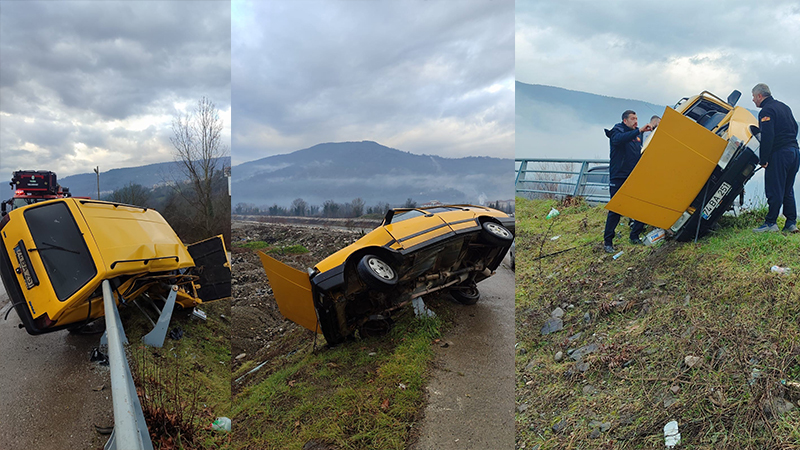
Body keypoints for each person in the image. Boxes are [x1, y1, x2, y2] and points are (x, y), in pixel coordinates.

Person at [751, 83, 800, 233]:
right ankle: (791, 223)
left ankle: (770, 223)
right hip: (795, 152)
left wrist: (763, 159)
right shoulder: (784, 107)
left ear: (759, 95)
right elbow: (795, 128)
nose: (753, 100)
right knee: (787, 189)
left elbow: (768, 137)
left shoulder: (767, 111)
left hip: (780, 154)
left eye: (753, 97)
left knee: (774, 189)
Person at [602, 110, 653, 252]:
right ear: (625, 121)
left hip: (633, 176)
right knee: (616, 209)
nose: (636, 121)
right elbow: (618, 140)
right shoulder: (617, 131)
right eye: (633, 119)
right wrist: (639, 131)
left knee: (642, 205)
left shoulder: (636, 135)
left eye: (637, 118)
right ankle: (608, 242)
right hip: (618, 176)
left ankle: (635, 236)